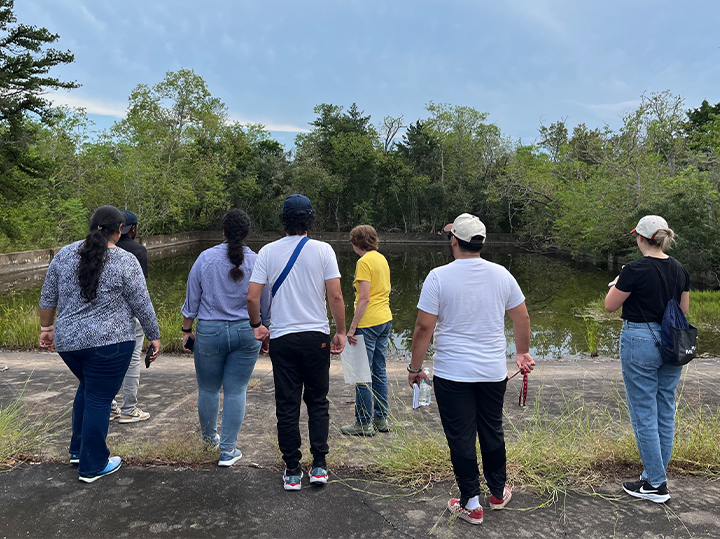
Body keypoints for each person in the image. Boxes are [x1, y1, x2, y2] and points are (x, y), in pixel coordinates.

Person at [407, 213, 534, 526]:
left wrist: (415, 367)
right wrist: (521, 352)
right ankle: (497, 492)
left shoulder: (438, 277)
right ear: (482, 242)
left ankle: (471, 503)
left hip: (453, 374)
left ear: (454, 240)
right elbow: (522, 318)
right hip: (493, 372)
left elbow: (424, 327)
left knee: (461, 436)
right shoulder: (502, 275)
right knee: (492, 429)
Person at [39, 205, 161, 483]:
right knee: (99, 398)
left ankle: (78, 451)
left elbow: (48, 297)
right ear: (120, 230)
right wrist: (154, 336)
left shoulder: (64, 254)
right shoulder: (125, 260)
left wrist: (46, 328)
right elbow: (142, 303)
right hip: (111, 345)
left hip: (68, 344)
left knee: (88, 388)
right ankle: (93, 464)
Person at [247, 194, 346, 491]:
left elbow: (252, 297)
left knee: (287, 404)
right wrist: (340, 331)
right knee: (318, 401)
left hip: (282, 338)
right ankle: (319, 466)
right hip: (315, 337)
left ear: (284, 220)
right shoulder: (324, 250)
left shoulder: (267, 252)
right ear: (310, 219)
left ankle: (292, 469)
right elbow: (336, 296)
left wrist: (258, 326)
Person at [605, 215, 690, 504]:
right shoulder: (680, 269)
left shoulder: (634, 269)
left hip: (640, 340)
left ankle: (656, 483)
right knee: (664, 409)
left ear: (641, 239)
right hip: (671, 342)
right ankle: (654, 475)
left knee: (642, 411)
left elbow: (609, 306)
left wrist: (618, 284)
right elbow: (683, 309)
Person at [180, 209, 271, 467]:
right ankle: (228, 450)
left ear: (223, 231)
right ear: (246, 233)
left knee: (208, 388)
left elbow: (192, 300)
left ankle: (210, 439)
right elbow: (265, 303)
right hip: (247, 331)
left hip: (209, 331)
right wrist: (265, 331)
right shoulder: (257, 261)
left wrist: (187, 331)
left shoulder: (205, 259)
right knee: (236, 390)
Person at [341, 225, 393, 436]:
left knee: (361, 373)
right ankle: (381, 419)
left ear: (356, 242)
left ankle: (363, 422)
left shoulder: (363, 262)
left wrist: (351, 328)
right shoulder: (381, 258)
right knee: (379, 370)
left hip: (368, 322)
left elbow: (364, 297)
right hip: (385, 318)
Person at [110, 209, 151, 424]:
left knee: (108, 359)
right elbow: (140, 292)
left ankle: (109, 406)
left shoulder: (102, 250)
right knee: (133, 358)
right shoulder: (138, 251)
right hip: (131, 316)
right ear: (132, 228)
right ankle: (129, 408)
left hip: (106, 316)